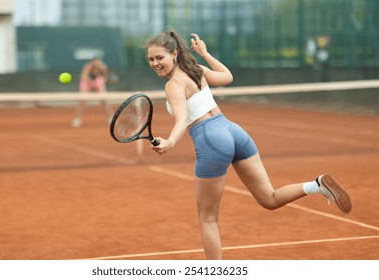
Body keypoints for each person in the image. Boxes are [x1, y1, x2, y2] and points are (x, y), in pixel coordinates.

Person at [144, 30, 352, 260]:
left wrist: (171, 141)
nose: (155, 63)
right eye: (151, 59)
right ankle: (316, 185)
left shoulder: (173, 84)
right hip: (233, 131)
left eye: (159, 57)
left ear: (174, 54)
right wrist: (206, 54)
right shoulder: (196, 70)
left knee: (208, 219)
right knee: (269, 199)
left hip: (211, 140)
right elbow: (227, 77)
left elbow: (182, 118)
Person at [72, 57, 108, 127]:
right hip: (87, 83)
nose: (97, 64)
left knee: (104, 100)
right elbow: (83, 77)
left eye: (99, 62)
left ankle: (110, 118)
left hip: (97, 82)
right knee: (82, 101)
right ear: (93, 62)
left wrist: (100, 82)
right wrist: (91, 83)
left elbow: (105, 76)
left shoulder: (103, 67)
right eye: (96, 62)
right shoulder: (88, 66)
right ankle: (77, 119)